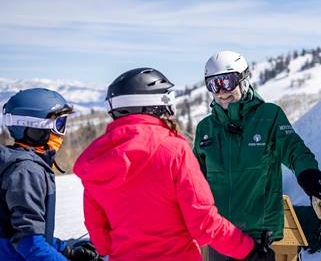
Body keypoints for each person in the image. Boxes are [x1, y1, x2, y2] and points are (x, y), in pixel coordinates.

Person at [73, 67, 273, 261]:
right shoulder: (174, 151)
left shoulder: (97, 160)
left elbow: (101, 240)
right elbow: (204, 223)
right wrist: (251, 250)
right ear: (157, 103)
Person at [193, 51, 321, 259]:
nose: (222, 91)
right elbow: (193, 180)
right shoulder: (205, 128)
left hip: (259, 237)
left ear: (244, 79)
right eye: (213, 84)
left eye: (228, 81)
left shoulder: (269, 116)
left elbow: (295, 151)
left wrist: (312, 180)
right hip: (220, 236)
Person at [0, 88, 100, 260]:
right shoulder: (26, 172)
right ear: (34, 127)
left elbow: (25, 231)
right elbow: (28, 242)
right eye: (59, 124)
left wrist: (66, 250)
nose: (61, 134)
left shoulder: (19, 164)